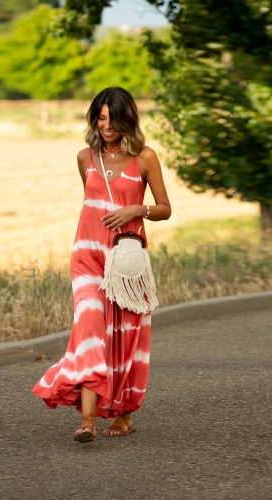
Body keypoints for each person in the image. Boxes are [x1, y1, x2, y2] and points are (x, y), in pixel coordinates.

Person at [32, 87, 171, 443]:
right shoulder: (84, 158)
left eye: (113, 118)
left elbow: (164, 208)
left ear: (129, 119)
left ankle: (124, 415)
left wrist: (136, 209)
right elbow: (91, 205)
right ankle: (88, 420)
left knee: (126, 336)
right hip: (87, 257)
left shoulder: (146, 158)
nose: (106, 125)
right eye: (101, 117)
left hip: (126, 262)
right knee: (91, 330)